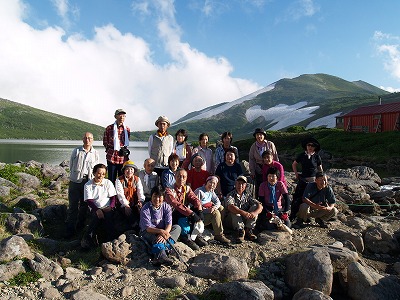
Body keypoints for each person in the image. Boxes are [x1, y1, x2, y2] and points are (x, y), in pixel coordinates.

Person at [65, 132, 100, 238]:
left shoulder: (95, 153)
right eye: (85, 138)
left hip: (87, 182)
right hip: (75, 181)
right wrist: (73, 176)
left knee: (85, 206)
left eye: (89, 138)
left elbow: (96, 168)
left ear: (92, 140)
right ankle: (70, 230)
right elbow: (71, 165)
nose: (87, 140)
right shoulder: (76, 151)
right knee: (73, 206)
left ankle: (80, 227)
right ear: (82, 139)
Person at [165, 169, 205, 251]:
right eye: (179, 176)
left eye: (184, 177)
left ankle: (195, 234)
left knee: (195, 210)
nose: (181, 178)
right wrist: (191, 214)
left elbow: (195, 199)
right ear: (175, 177)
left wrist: (200, 210)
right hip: (171, 214)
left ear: (186, 178)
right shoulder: (169, 190)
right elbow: (176, 204)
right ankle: (185, 236)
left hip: (183, 211)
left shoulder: (186, 188)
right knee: (184, 213)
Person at [140, 186, 181, 266]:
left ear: (163, 197)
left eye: (160, 196)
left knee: (177, 228)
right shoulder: (145, 208)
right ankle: (162, 254)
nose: (157, 199)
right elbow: (147, 228)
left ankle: (161, 251)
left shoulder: (166, 207)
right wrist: (161, 232)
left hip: (163, 232)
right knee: (154, 238)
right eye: (155, 196)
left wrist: (164, 234)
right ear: (151, 196)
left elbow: (169, 224)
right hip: (150, 231)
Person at [82, 164, 117, 248]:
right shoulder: (88, 185)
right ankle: (88, 239)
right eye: (99, 173)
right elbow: (89, 201)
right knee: (95, 218)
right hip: (95, 207)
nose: (101, 175)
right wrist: (97, 210)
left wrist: (111, 207)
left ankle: (109, 240)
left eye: (103, 174)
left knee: (109, 218)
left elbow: (113, 198)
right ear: (94, 173)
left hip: (107, 207)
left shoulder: (108, 182)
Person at [290, 137, 323, 221]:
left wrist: (321, 178)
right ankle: (295, 215)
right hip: (303, 180)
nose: (310, 147)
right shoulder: (302, 155)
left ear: (315, 147)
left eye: (312, 145)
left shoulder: (316, 156)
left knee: (314, 198)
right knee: (298, 197)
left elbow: (320, 168)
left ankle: (314, 216)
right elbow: (294, 164)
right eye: (309, 145)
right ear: (306, 146)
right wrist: (296, 174)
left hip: (314, 180)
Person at [225, 176, 263, 243]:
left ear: (245, 185)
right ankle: (240, 231)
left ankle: (249, 229)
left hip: (244, 218)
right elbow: (230, 206)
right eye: (239, 183)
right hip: (231, 221)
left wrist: (254, 213)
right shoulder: (230, 195)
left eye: (242, 184)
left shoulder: (248, 195)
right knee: (234, 210)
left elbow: (260, 205)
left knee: (255, 206)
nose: (240, 185)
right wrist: (243, 212)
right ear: (235, 184)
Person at [195, 176, 231, 244]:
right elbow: (195, 208)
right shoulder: (200, 191)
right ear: (206, 182)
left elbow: (218, 202)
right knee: (216, 213)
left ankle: (217, 227)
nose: (212, 185)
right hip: (200, 217)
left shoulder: (211, 191)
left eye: (214, 183)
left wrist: (214, 207)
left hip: (207, 211)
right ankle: (218, 235)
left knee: (221, 208)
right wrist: (208, 210)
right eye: (210, 182)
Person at [115, 160, 145, 231]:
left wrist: (140, 201)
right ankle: (134, 228)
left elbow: (140, 192)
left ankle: (143, 228)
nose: (129, 171)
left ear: (134, 170)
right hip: (123, 204)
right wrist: (126, 205)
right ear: (124, 170)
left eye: (131, 169)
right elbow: (120, 195)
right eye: (127, 169)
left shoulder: (137, 179)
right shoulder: (119, 180)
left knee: (141, 210)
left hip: (134, 202)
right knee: (128, 213)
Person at [249, 128, 278, 198]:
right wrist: (252, 171)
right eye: (257, 135)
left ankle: (271, 200)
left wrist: (276, 169)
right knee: (259, 186)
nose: (259, 136)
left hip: (270, 168)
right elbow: (251, 159)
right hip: (259, 169)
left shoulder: (270, 144)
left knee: (271, 184)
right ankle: (260, 201)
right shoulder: (253, 146)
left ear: (264, 135)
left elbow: (275, 155)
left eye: (260, 134)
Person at [103, 109, 130, 184]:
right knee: (111, 179)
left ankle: (120, 195)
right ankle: (111, 195)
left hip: (123, 158)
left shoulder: (127, 129)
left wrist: (123, 150)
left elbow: (126, 143)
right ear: (115, 116)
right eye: (120, 115)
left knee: (122, 179)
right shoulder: (109, 128)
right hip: (112, 156)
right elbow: (105, 142)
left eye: (123, 115)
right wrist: (111, 149)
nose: (122, 117)